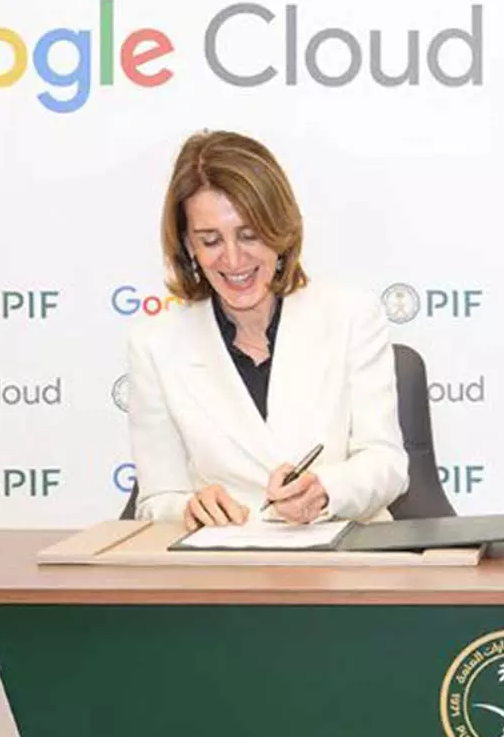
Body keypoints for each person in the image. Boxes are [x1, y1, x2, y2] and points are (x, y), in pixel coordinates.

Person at [128, 130, 408, 529]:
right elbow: (157, 499)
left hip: (342, 551)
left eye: (249, 235)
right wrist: (188, 508)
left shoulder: (352, 315)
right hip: (225, 559)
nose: (233, 259)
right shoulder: (155, 344)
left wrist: (326, 491)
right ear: (188, 245)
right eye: (210, 240)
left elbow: (386, 463)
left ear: (280, 231)